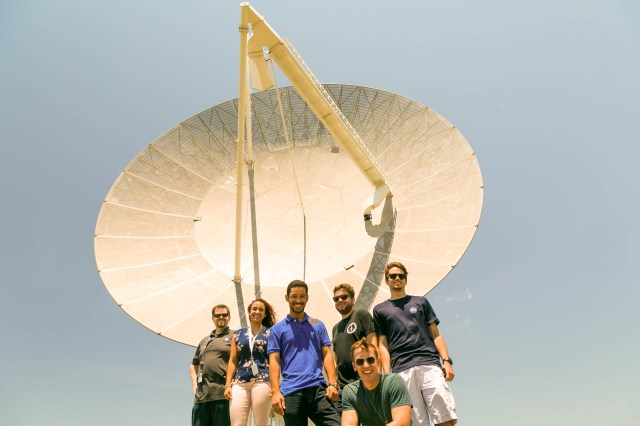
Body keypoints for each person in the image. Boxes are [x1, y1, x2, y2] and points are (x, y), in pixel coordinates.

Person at [373, 261, 458, 426]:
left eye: (401, 276)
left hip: (429, 365)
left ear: (405, 279)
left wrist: (446, 361)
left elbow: (436, 334)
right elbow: (383, 345)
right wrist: (387, 375)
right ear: (386, 280)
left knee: (444, 418)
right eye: (392, 276)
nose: (397, 278)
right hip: (402, 371)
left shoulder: (420, 302)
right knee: (418, 423)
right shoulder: (379, 310)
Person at [267, 280, 341, 426]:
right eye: (294, 296)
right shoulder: (277, 329)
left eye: (302, 296)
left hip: (318, 390)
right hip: (291, 392)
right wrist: (275, 392)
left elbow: (327, 354)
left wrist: (332, 383)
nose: (298, 300)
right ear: (287, 297)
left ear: (307, 297)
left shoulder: (318, 324)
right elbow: (274, 361)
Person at [224, 299, 276, 426]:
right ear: (249, 312)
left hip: (262, 380)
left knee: (261, 422)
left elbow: (274, 360)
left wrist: (276, 388)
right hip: (240, 382)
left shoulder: (272, 332)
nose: (257, 312)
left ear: (265, 314)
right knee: (236, 423)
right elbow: (232, 360)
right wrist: (228, 385)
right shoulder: (237, 334)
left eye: (261, 310)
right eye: (254, 309)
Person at [341, 338, 412, 426]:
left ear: (378, 362)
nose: (366, 365)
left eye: (370, 360)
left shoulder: (394, 381)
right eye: (360, 361)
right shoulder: (350, 391)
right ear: (354, 366)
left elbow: (402, 423)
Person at [331, 283, 377, 414]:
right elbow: (337, 359)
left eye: (344, 297)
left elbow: (373, 345)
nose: (340, 300)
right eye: (336, 298)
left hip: (363, 383)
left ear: (353, 299)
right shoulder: (335, 328)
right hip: (344, 389)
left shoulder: (361, 315)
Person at [190, 304, 234, 426]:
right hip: (201, 398)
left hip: (222, 396)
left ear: (229, 317)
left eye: (224, 315)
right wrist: (194, 385)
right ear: (212, 318)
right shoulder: (204, 340)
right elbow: (194, 364)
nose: (221, 317)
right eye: (217, 315)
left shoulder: (234, 336)